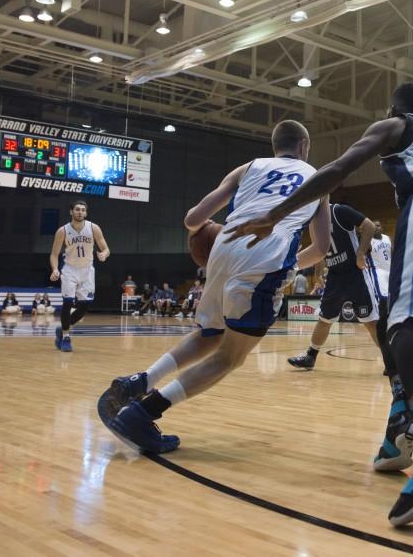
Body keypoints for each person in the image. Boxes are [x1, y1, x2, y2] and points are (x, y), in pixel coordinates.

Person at [203, 83, 413, 527]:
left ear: (394, 109)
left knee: (400, 327)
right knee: (396, 320)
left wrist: (275, 215)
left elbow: (337, 167)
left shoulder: (395, 126)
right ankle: (398, 427)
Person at [101, 119, 331, 459]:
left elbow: (194, 218)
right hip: (266, 255)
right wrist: (290, 265)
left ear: (275, 145)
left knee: (209, 333)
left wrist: (207, 232)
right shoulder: (317, 178)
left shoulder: (248, 167)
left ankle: (140, 381)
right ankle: (142, 413)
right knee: (229, 357)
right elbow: (322, 247)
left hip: (224, 247)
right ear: (304, 146)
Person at [287, 203, 381, 370]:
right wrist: (317, 272)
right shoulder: (314, 221)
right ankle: (310, 356)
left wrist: (360, 254)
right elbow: (319, 248)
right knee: (324, 319)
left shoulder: (339, 210)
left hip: (355, 273)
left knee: (370, 322)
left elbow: (369, 226)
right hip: (334, 276)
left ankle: (392, 361)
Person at [49, 200, 110, 352]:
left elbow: (106, 248)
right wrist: (55, 269)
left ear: (86, 213)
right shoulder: (62, 231)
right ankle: (66, 336)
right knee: (68, 302)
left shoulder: (93, 228)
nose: (80, 212)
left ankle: (63, 327)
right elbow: (54, 254)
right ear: (71, 212)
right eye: (77, 209)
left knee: (84, 307)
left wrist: (103, 254)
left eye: (83, 210)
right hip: (70, 269)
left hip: (87, 270)